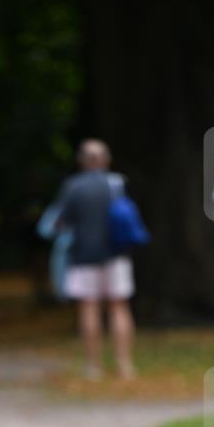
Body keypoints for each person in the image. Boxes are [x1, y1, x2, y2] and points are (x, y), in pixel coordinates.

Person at [54, 139, 137, 380]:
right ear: (106, 159)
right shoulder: (117, 183)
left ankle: (94, 367)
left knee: (89, 307)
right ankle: (125, 365)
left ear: (81, 160)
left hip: (83, 256)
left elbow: (61, 222)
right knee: (119, 306)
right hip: (116, 253)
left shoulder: (73, 186)